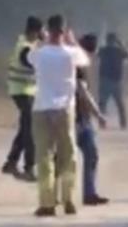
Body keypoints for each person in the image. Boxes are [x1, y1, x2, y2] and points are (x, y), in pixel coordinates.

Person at [28, 14, 89, 218]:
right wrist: (73, 41)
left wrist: (43, 40)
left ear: (49, 30)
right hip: (64, 109)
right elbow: (85, 60)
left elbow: (29, 58)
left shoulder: (40, 53)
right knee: (68, 156)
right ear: (64, 31)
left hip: (42, 108)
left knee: (44, 157)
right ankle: (68, 199)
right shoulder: (72, 53)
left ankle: (47, 203)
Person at [2, 16, 44, 181]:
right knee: (30, 129)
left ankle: (11, 162)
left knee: (26, 127)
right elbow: (32, 62)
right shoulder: (25, 48)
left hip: (26, 90)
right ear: (35, 31)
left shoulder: (28, 44)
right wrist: (47, 45)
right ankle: (29, 167)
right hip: (21, 91)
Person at [76, 34, 109, 206]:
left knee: (90, 155)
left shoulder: (74, 62)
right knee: (89, 154)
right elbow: (83, 93)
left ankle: (88, 194)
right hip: (77, 118)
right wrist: (98, 114)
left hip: (78, 117)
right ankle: (87, 194)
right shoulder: (78, 66)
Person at [98, 32, 128, 129]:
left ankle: (102, 122)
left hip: (106, 80)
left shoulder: (103, 50)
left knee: (103, 103)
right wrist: (121, 44)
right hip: (115, 81)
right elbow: (127, 55)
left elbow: (97, 55)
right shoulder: (118, 51)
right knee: (119, 104)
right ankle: (123, 123)